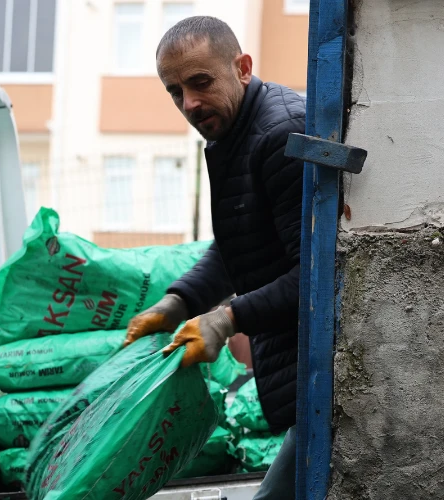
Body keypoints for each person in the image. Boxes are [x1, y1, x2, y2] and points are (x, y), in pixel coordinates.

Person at [122, 15, 304, 500]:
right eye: (175, 91)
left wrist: (226, 321)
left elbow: (317, 277)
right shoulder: (239, 133)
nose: (190, 103)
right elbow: (239, 244)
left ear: (242, 67)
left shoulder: (279, 134)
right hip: (307, 384)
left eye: (200, 83)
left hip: (332, 380)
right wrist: (178, 302)